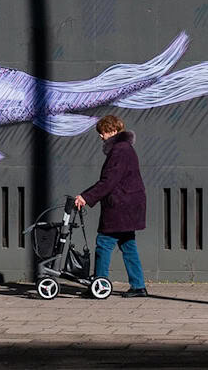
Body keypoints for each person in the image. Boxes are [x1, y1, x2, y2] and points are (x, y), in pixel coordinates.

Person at [74, 115, 148, 298]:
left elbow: (109, 181)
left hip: (120, 206)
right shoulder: (125, 148)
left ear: (114, 131)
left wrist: (85, 197)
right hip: (129, 205)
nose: (101, 136)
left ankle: (99, 285)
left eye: (104, 132)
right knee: (128, 245)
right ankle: (138, 286)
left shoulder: (120, 150)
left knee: (104, 243)